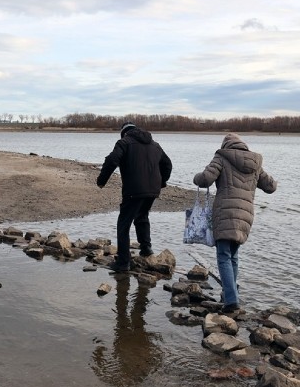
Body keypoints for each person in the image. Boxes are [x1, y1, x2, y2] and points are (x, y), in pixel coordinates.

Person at [193, 133, 277, 313]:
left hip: (225, 212)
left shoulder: (222, 156)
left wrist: (196, 177)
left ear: (226, 145)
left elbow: (205, 179)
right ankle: (230, 292)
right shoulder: (256, 163)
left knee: (223, 255)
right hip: (245, 215)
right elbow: (270, 187)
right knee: (233, 254)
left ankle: (231, 300)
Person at [97, 122, 173, 272]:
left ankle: (123, 263)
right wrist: (161, 182)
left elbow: (112, 160)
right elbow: (168, 164)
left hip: (133, 190)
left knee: (123, 224)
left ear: (124, 132)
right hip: (152, 190)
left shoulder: (124, 142)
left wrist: (101, 181)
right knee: (142, 216)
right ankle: (146, 248)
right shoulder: (154, 145)